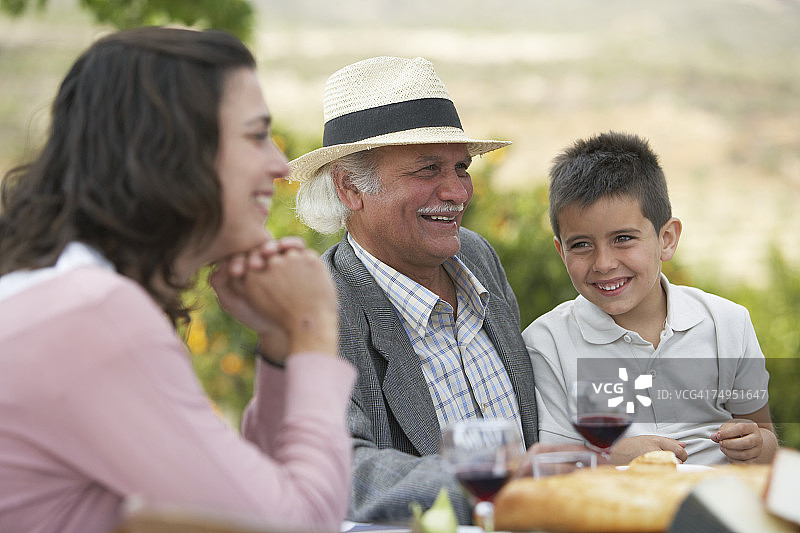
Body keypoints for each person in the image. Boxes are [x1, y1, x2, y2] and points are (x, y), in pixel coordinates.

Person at [0, 27, 355, 533]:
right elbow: (297, 526)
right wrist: (312, 327)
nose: (280, 165)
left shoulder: (66, 295)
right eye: (256, 136)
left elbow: (247, 503)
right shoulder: (94, 315)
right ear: (174, 151)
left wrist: (280, 346)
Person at [289, 56, 538, 524]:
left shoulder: (477, 256)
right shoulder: (315, 313)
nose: (457, 192)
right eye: (427, 170)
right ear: (350, 188)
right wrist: (498, 485)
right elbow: (340, 467)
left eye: (461, 168)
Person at [523, 130, 777, 466]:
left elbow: (764, 438)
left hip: (719, 494)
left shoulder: (728, 324)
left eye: (623, 238)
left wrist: (757, 445)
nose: (604, 264)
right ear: (561, 251)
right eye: (581, 244)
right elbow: (555, 467)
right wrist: (611, 458)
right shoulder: (547, 343)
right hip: (612, 500)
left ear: (667, 239)